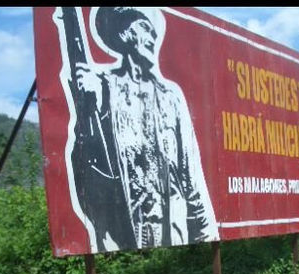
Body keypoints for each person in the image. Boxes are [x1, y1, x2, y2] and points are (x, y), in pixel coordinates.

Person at [63, 6, 218, 251]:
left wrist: (206, 235)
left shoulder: (171, 97)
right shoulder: (102, 87)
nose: (153, 37)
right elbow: (85, 169)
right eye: (145, 27)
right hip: (123, 234)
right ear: (123, 32)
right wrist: (91, 102)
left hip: (173, 232)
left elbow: (192, 179)